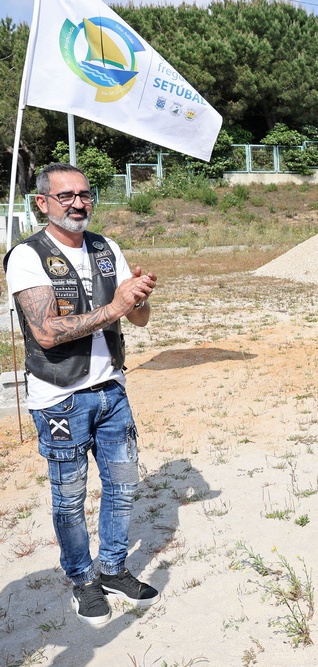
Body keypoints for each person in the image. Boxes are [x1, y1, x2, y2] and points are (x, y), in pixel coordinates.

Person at [2, 163, 159, 626]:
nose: (77, 203)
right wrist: (115, 305)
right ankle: (83, 579)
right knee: (70, 499)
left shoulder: (107, 247)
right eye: (66, 195)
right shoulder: (27, 256)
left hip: (112, 388)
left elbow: (139, 319)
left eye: (85, 194)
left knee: (124, 485)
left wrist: (140, 297)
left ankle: (112, 568)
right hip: (60, 397)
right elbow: (47, 333)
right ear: (42, 203)